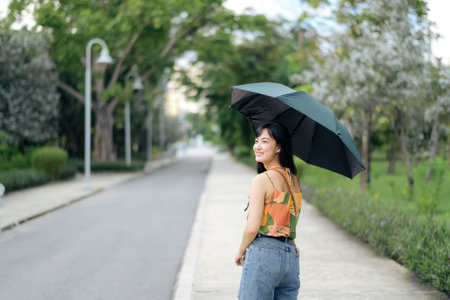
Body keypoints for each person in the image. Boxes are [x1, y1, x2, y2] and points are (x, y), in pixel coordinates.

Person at [235, 122, 302, 300]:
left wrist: (241, 250)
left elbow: (252, 227)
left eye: (264, 141)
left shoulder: (261, 180)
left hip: (264, 254)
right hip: (291, 257)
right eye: (256, 141)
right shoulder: (294, 179)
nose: (257, 146)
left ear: (279, 147)